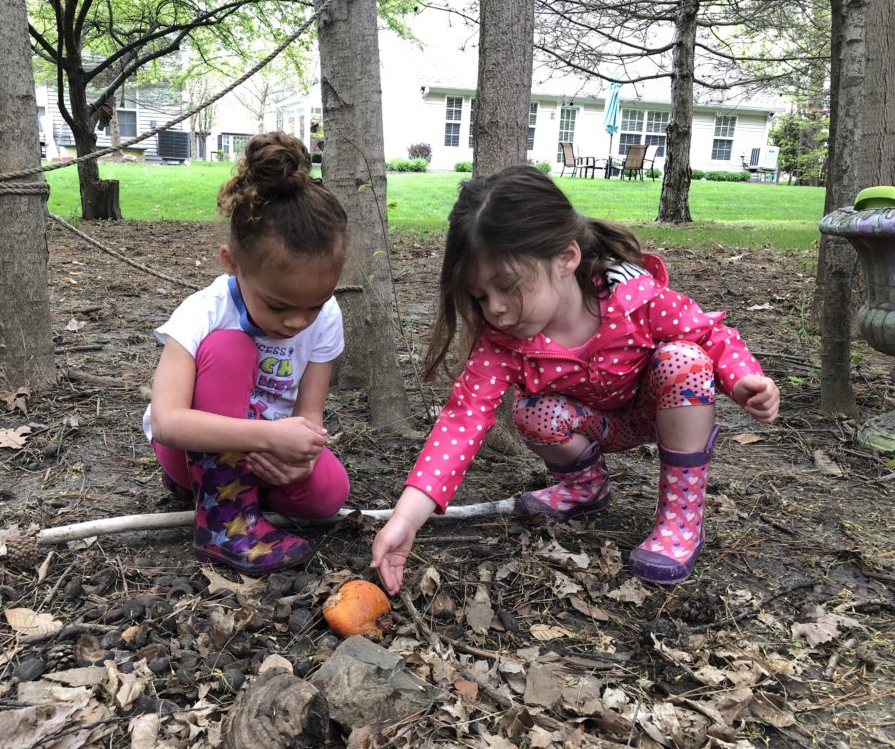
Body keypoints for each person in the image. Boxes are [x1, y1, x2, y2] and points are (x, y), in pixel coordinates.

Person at [371, 165, 779, 592]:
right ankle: (585, 488)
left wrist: (744, 379)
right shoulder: (503, 342)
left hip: (660, 412)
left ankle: (681, 518)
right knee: (534, 412)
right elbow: (463, 419)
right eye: (480, 297)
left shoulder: (632, 298)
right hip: (591, 424)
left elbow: (709, 334)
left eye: (507, 287)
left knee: (685, 359)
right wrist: (405, 518)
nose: (494, 309)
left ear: (565, 258)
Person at [143, 131, 351, 575]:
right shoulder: (205, 314)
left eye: (313, 304)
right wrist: (268, 437)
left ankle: (246, 505)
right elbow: (167, 421)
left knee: (329, 492)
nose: (298, 322)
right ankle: (223, 526)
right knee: (228, 347)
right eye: (279, 305)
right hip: (196, 450)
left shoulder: (326, 316)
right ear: (231, 262)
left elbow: (309, 413)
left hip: (264, 454)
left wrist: (301, 457)